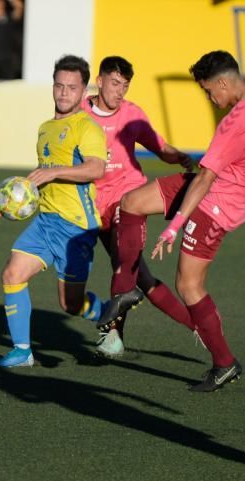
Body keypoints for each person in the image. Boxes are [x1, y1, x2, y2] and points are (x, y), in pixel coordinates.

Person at [95, 50, 245, 391]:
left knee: (189, 286)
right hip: (220, 186)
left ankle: (224, 362)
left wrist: (173, 228)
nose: (209, 97)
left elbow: (203, 180)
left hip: (216, 204)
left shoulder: (235, 123)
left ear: (222, 82)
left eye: (208, 91)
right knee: (131, 203)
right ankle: (127, 289)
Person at [0, 54, 107, 367]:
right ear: (53, 87)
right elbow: (44, 170)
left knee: (70, 304)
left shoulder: (87, 128)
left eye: (71, 87)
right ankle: (22, 351)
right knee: (12, 273)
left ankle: (107, 313)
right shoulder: (45, 129)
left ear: (83, 91)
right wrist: (8, 199)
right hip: (45, 221)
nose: (64, 92)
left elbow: (95, 169)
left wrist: (53, 173)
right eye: (59, 86)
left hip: (76, 228)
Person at [81, 56, 196, 357]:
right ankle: (199, 326)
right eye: (115, 83)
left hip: (129, 200)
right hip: (94, 207)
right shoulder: (79, 114)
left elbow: (158, 146)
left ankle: (114, 336)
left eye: (126, 86)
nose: (120, 91)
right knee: (140, 278)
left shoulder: (132, 114)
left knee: (124, 266)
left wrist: (180, 156)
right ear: (100, 79)